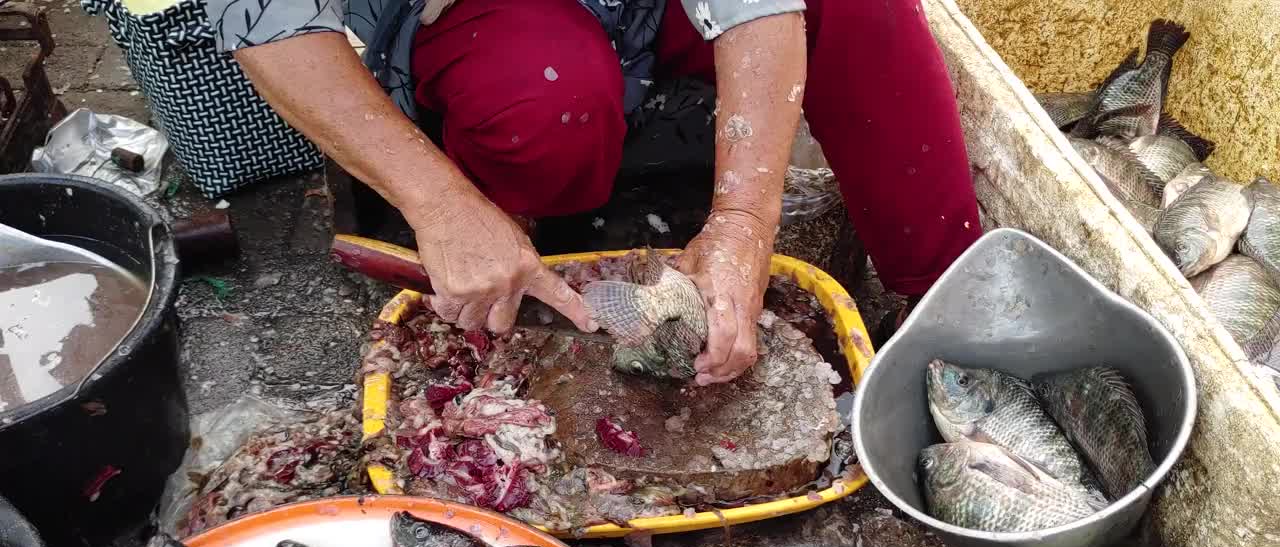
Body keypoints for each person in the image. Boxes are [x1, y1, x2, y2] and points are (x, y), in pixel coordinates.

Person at [207, 0, 982, 385]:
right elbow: (266, 16)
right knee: (545, 106)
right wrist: (440, 206)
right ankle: (503, 213)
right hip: (476, 16)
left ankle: (951, 318)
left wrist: (746, 219)